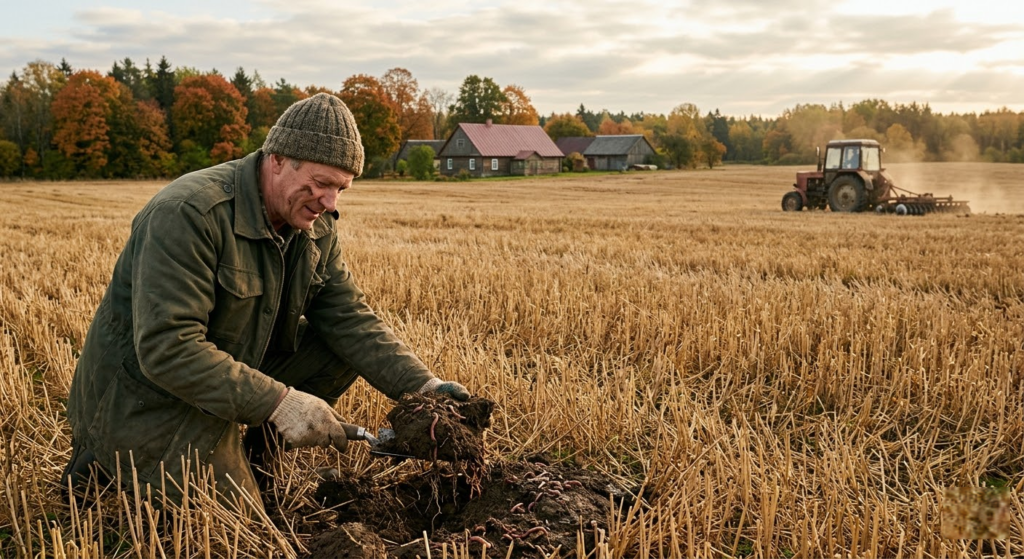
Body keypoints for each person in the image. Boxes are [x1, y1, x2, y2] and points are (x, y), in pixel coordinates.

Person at [64, 93, 469, 509]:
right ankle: (103, 463)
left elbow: (348, 318)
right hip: (148, 396)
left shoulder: (313, 224)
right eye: (322, 183)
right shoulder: (189, 213)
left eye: (341, 188)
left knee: (337, 348)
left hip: (227, 372)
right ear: (276, 159)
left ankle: (257, 462)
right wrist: (280, 403)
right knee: (238, 524)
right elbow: (168, 348)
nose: (330, 202)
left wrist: (424, 387)